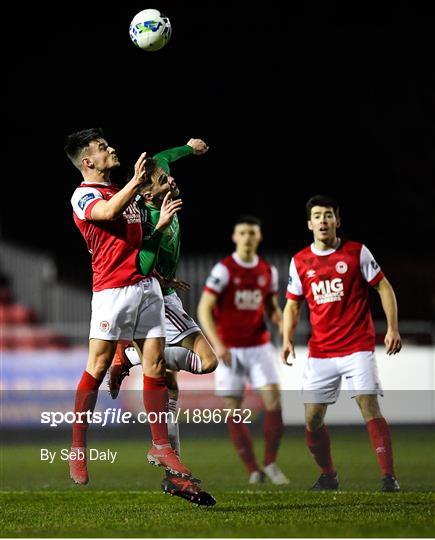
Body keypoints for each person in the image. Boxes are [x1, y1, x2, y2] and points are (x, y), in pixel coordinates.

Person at [65, 128, 195, 486]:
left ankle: (160, 446)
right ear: (88, 161)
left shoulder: (131, 196)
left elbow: (135, 248)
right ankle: (78, 448)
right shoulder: (84, 195)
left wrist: (159, 262)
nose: (111, 149)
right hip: (113, 292)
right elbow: (106, 212)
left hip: (147, 288)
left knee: (154, 364)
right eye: (103, 148)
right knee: (98, 364)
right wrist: (136, 183)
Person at [107, 139, 218, 505]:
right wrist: (160, 233)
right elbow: (138, 265)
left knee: (170, 390)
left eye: (167, 177)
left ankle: (176, 476)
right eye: (161, 180)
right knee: (208, 362)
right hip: (157, 296)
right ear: (147, 193)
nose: (169, 180)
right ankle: (132, 357)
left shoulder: (158, 193)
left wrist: (187, 147)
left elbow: (164, 159)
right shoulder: (148, 217)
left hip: (163, 289)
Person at [282, 194, 402, 492]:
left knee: (368, 406)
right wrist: (286, 339)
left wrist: (392, 328)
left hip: (358, 347)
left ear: (337, 221)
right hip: (321, 351)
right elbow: (292, 305)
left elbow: (383, 287)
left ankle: (389, 477)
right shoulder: (300, 261)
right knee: (311, 420)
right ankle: (328, 475)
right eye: (318, 216)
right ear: (309, 224)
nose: (323, 220)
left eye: (328, 215)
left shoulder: (356, 252)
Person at [197, 216, 289, 485]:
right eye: (243, 232)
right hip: (230, 350)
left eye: (252, 232)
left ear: (259, 237)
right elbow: (204, 308)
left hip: (259, 346)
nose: (247, 237)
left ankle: (270, 462)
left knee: (274, 402)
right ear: (234, 237)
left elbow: (271, 307)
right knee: (232, 409)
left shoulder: (267, 271)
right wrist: (218, 344)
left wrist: (283, 326)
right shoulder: (224, 270)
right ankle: (253, 469)